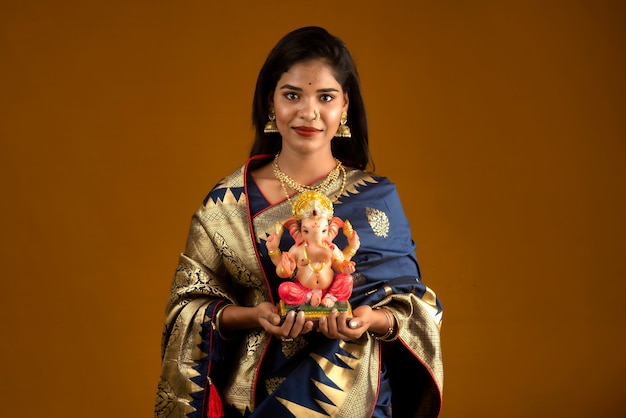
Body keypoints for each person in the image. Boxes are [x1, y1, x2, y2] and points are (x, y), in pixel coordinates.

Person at [155, 26, 443, 418]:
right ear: (271, 103)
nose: (309, 112)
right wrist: (254, 316)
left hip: (352, 396)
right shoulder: (227, 202)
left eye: (326, 97)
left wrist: (369, 319)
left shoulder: (377, 198)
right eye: (292, 95)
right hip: (256, 400)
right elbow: (186, 308)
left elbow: (417, 308)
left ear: (345, 108)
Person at [267, 190, 359, 308]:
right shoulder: (297, 249)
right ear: (298, 230)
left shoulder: (331, 248)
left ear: (330, 229)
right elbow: (281, 270)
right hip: (304, 289)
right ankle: (308, 297)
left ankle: (330, 297)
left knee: (347, 279)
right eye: (306, 231)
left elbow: (340, 265)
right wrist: (276, 254)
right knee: (284, 289)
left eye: (323, 231)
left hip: (329, 289)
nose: (316, 235)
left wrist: (350, 254)